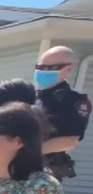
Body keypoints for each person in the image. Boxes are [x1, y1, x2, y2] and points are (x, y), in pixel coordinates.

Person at [32, 46, 92, 182]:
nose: (42, 71)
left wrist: (28, 152)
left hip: (44, 171)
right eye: (40, 67)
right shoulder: (33, 97)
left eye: (49, 68)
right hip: (19, 167)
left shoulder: (74, 100)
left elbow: (69, 141)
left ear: (68, 69)